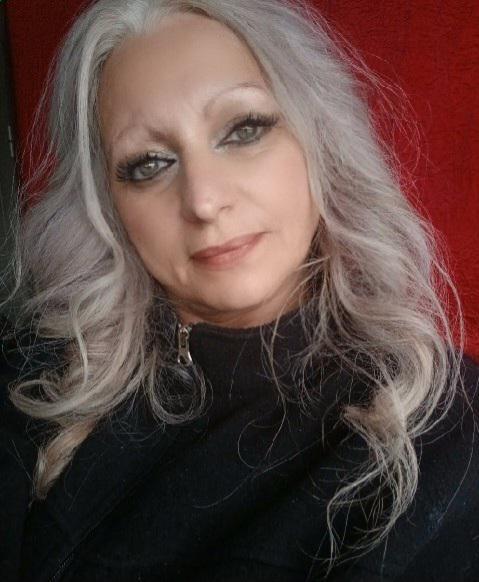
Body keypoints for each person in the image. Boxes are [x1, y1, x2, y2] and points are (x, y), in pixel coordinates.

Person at [1, 0, 478, 580]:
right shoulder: (38, 375)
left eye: (244, 130)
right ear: (107, 205)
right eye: (149, 164)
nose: (203, 200)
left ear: (320, 139)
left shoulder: (444, 427)